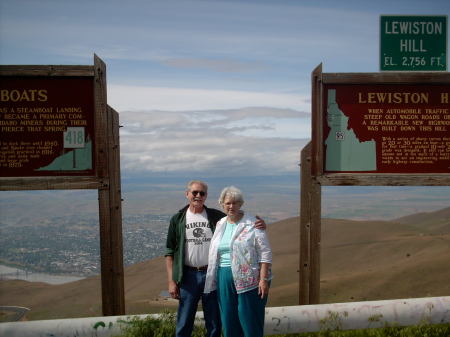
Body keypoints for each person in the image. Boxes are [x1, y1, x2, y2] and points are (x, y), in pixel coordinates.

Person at [165, 180, 266, 337]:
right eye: (194, 192)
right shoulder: (178, 219)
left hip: (211, 274)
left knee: (214, 320)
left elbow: (236, 216)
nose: (198, 196)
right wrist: (172, 280)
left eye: (202, 193)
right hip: (188, 276)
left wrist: (259, 223)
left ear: (206, 196)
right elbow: (169, 251)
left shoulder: (216, 217)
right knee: (184, 320)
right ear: (187, 194)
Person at [204, 186, 272, 337]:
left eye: (235, 203)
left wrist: (263, 279)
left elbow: (265, 253)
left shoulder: (253, 223)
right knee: (228, 320)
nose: (231, 206)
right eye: (228, 203)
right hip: (224, 276)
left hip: (249, 279)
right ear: (222, 204)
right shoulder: (220, 224)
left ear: (241, 204)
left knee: (249, 321)